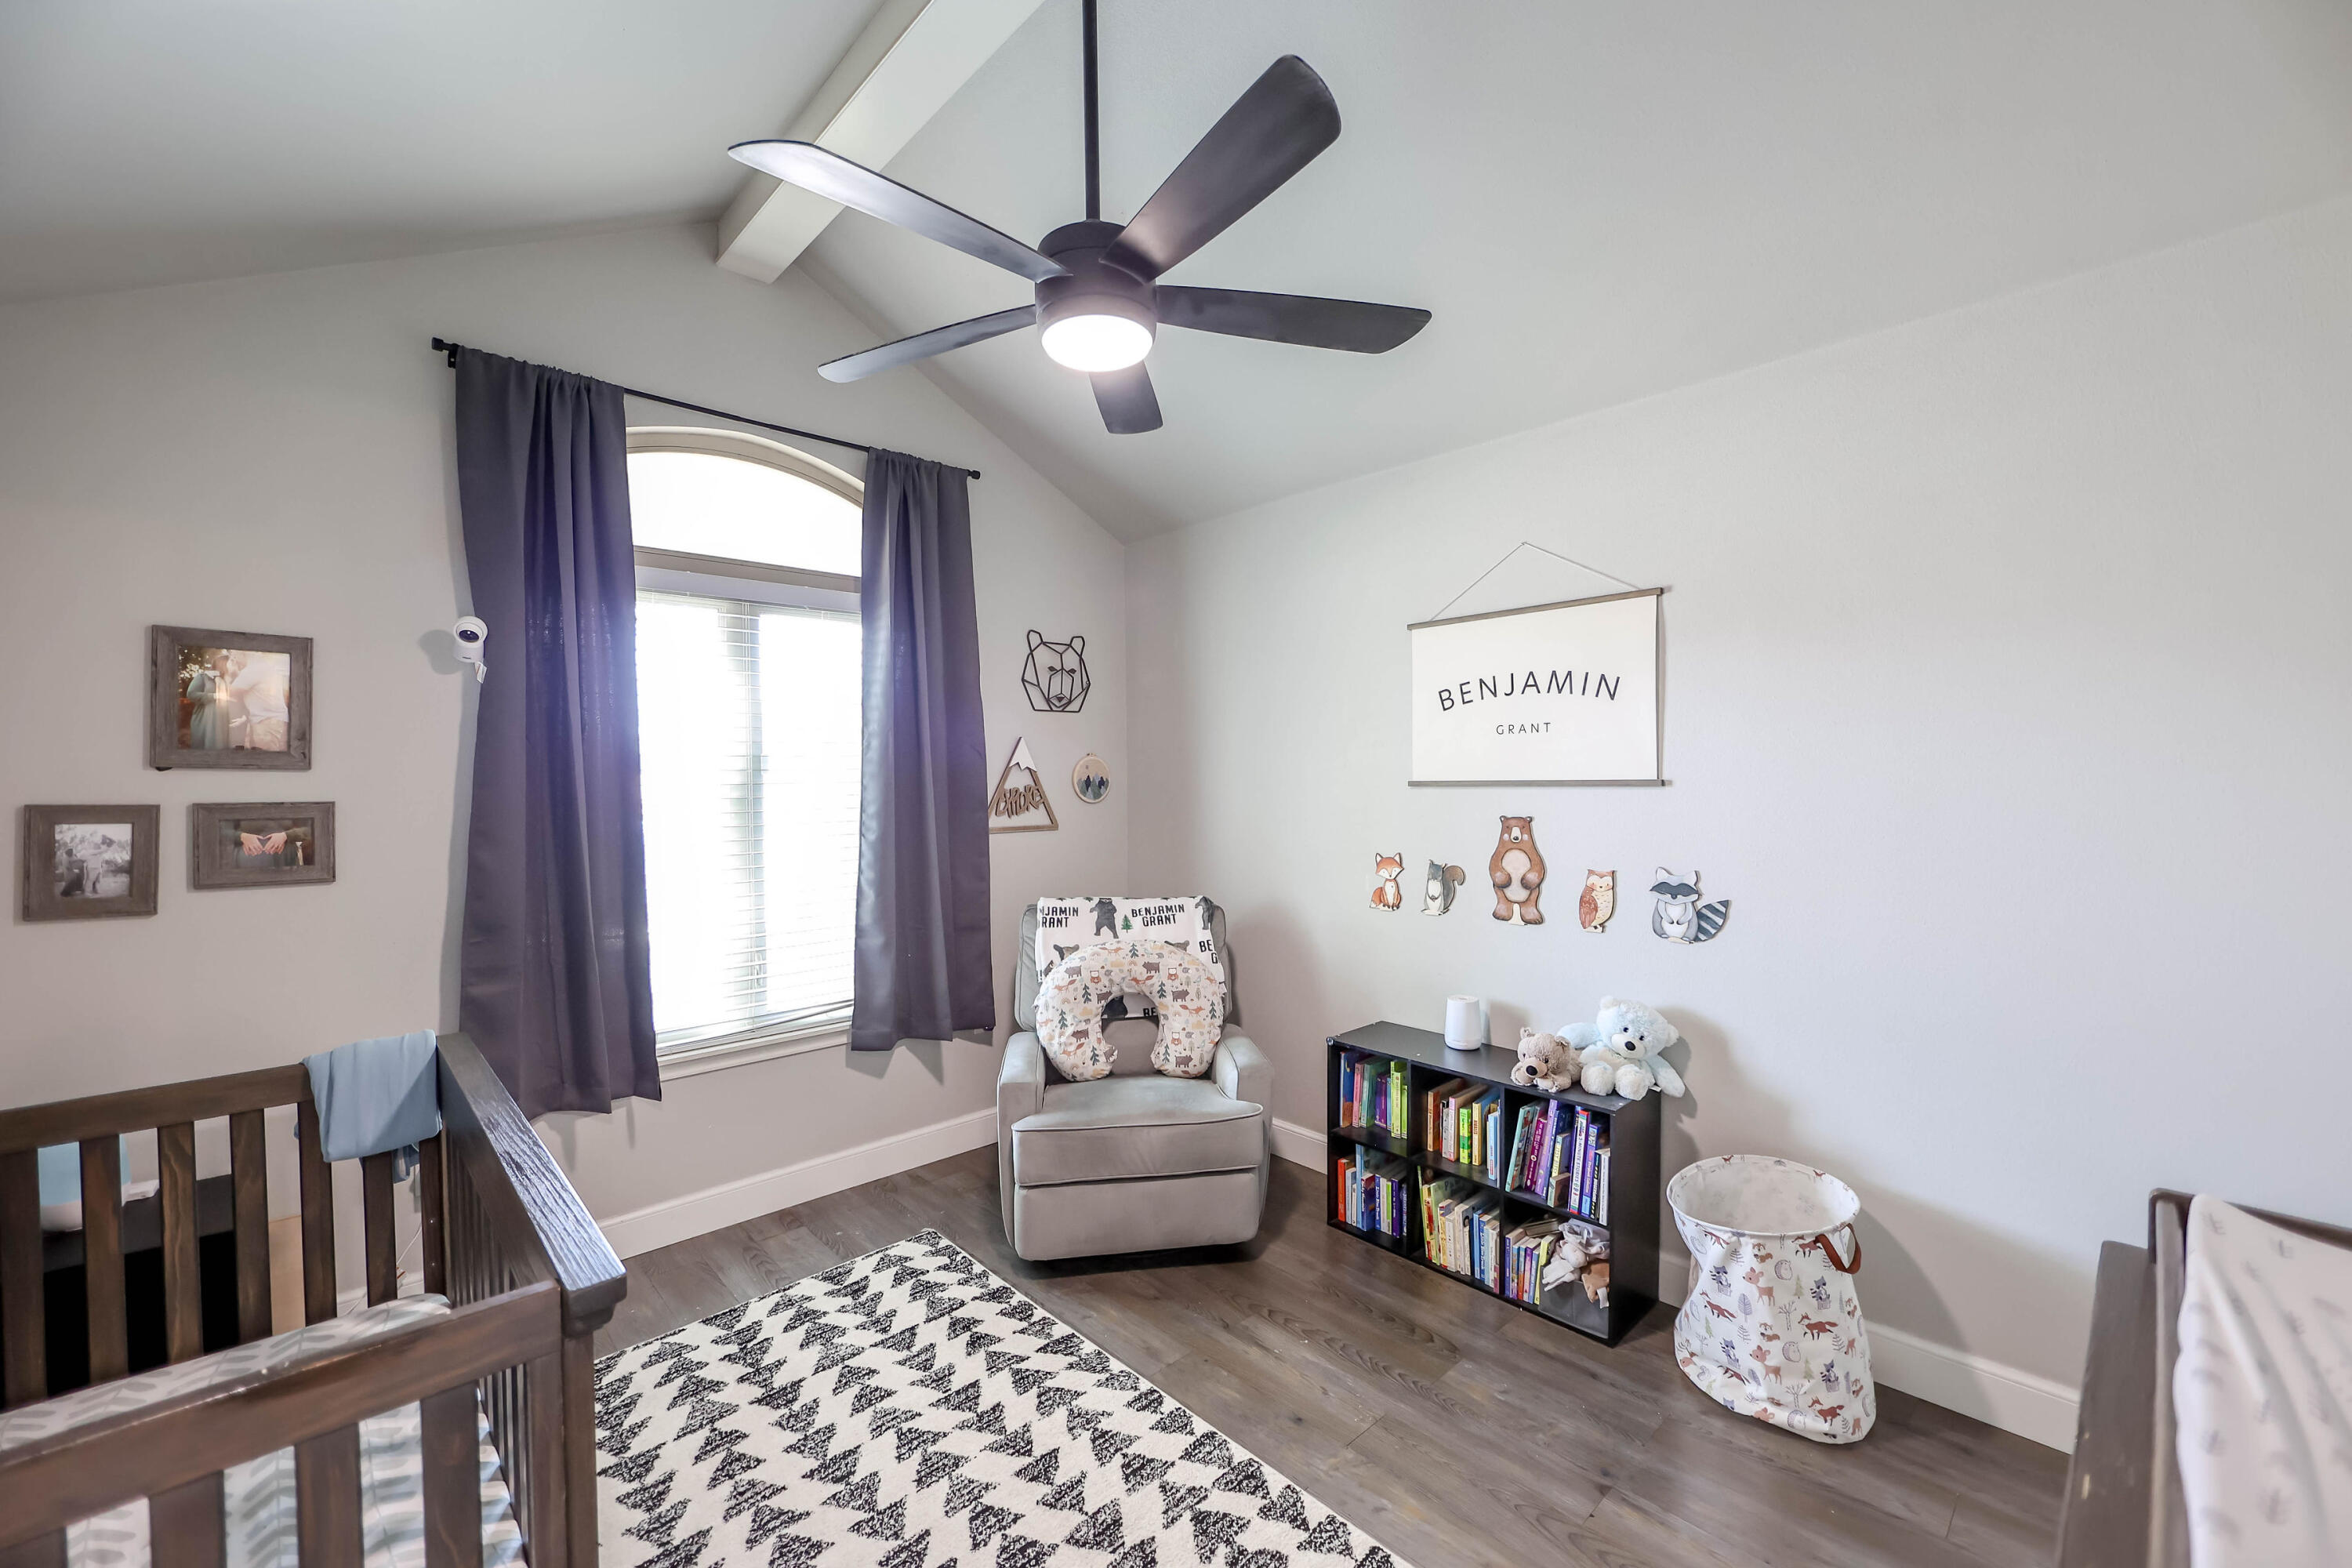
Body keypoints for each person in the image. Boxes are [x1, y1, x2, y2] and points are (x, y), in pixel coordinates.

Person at [228, 651, 289, 751]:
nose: (234, 659)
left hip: (265, 723)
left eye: (234, 655)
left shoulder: (252, 670)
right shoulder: (262, 666)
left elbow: (229, 692)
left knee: (265, 760)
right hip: (268, 721)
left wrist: (232, 672)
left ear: (241, 653)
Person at [185, 650, 232, 750]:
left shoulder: (230, 679)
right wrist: (215, 696)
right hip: (206, 721)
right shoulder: (203, 677)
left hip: (226, 721)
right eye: (228, 663)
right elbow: (191, 694)